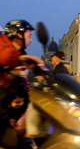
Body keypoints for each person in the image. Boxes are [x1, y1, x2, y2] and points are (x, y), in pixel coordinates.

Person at [0, 19, 44, 147]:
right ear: (18, 35)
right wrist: (25, 60)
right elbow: (5, 58)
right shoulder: (3, 45)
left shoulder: (20, 52)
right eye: (29, 36)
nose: (31, 40)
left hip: (12, 101)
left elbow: (23, 75)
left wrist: (43, 73)